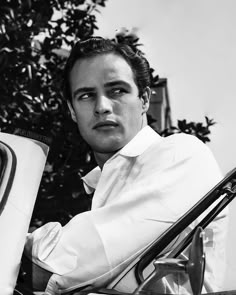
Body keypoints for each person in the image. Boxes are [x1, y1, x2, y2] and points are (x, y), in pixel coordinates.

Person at [23, 37, 228, 295]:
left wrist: (18, 245)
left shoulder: (182, 155)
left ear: (144, 99)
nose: (102, 107)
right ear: (72, 111)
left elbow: (66, 262)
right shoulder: (97, 186)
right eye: (86, 95)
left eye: (117, 90)